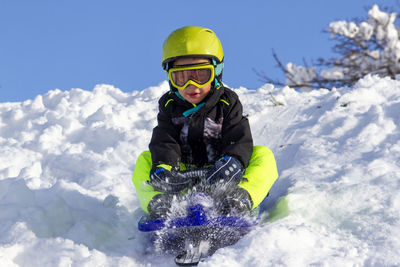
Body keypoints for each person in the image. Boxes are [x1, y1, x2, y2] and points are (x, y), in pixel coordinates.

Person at [132, 26, 278, 219]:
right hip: (182, 180)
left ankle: (241, 198)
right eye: (181, 77)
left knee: (264, 156)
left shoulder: (227, 102)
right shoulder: (169, 105)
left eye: (201, 76)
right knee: (145, 161)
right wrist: (164, 169)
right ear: (170, 78)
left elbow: (238, 138)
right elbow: (165, 140)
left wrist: (232, 162)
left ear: (216, 72)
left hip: (224, 177)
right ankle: (160, 203)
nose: (191, 86)